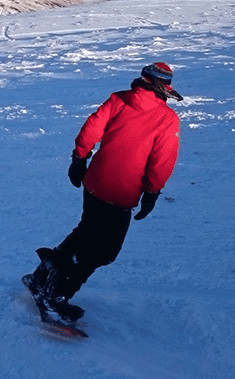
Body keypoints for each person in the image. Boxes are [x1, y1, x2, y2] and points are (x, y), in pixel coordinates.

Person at [23, 62, 183, 323]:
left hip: (95, 183)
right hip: (121, 193)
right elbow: (162, 162)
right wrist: (152, 193)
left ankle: (42, 276)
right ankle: (56, 295)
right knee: (103, 251)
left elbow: (91, 128)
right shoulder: (167, 119)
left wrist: (79, 159)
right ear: (162, 87)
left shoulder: (119, 99)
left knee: (86, 230)